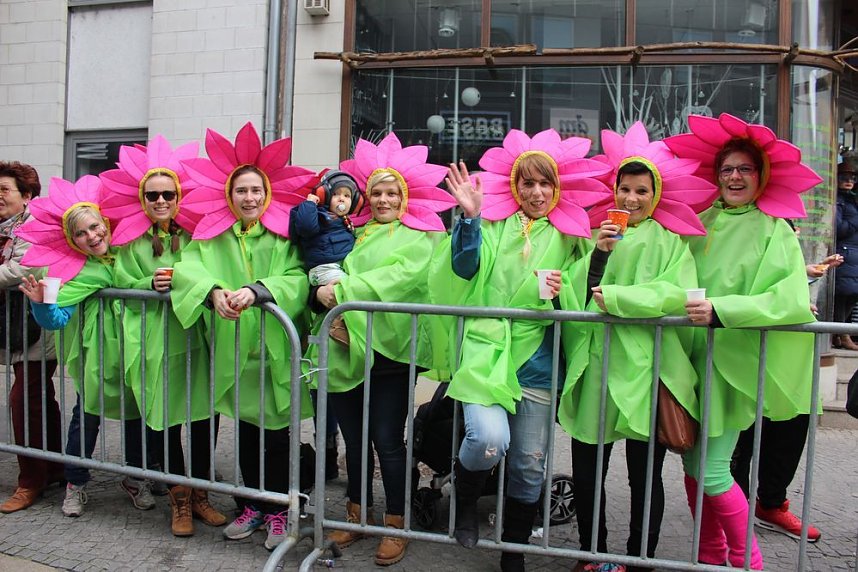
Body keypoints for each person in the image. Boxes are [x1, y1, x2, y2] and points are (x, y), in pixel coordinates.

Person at [430, 129, 610, 572]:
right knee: (488, 440)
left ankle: (514, 550)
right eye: (527, 182)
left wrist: (563, 284)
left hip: (538, 365)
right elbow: (465, 269)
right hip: (486, 353)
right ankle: (466, 502)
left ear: (556, 188)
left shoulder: (571, 235)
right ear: (514, 185)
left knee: (530, 466)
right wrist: (469, 220)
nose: (536, 192)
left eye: (544, 183)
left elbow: (582, 285)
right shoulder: (491, 224)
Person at [665, 112, 822, 569]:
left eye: (745, 169)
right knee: (693, 467)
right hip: (690, 362)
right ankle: (710, 555)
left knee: (713, 470)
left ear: (761, 176)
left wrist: (724, 310)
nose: (734, 176)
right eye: (727, 169)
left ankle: (748, 560)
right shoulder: (698, 221)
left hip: (735, 364)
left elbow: (789, 299)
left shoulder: (777, 230)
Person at [559, 123, 717, 572]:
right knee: (589, 471)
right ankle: (592, 553)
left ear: (656, 193)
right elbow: (575, 294)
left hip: (647, 372)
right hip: (596, 370)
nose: (631, 198)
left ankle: (640, 557)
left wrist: (621, 300)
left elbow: (679, 293)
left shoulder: (671, 242)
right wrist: (598, 257)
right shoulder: (594, 236)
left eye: (641, 190)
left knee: (644, 475)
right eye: (624, 188)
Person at [307, 132, 455, 566]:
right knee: (354, 439)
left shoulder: (421, 235)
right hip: (349, 346)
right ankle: (356, 515)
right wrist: (319, 289)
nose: (385, 199)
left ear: (404, 196)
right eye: (377, 192)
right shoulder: (356, 231)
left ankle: (395, 521)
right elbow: (324, 264)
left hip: (393, 351)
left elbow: (403, 277)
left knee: (388, 440)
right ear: (365, 196)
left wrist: (343, 290)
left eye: (392, 192)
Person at [172, 122, 315, 551]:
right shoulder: (211, 235)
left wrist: (257, 291)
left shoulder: (283, 235)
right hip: (237, 349)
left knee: (277, 435)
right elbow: (188, 269)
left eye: (255, 190)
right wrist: (212, 292)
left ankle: (280, 512)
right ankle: (250, 504)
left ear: (266, 194)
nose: (249, 198)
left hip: (274, 350)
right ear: (229, 196)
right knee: (247, 433)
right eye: (241, 191)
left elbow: (297, 278)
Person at [100, 135, 225, 537]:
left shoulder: (194, 234)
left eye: (168, 194)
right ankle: (180, 498)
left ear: (178, 196)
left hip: (198, 340)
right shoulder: (129, 242)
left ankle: (203, 494)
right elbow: (119, 282)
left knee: (206, 416)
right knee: (166, 421)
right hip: (158, 342)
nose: (160, 201)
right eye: (152, 194)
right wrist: (145, 282)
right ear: (143, 198)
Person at [16, 177, 148, 518]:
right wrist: (41, 303)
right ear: (72, 240)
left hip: (135, 351)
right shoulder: (76, 273)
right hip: (97, 356)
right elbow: (56, 319)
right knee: (87, 417)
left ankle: (135, 478)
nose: (92, 236)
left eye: (94, 227)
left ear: (105, 223)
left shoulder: (129, 256)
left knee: (137, 415)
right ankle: (75, 483)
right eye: (81, 234)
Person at [0, 161, 61, 514]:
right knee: (40, 399)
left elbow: (23, 267)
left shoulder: (34, 227)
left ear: (26, 196)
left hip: (37, 326)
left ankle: (30, 480)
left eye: (4, 190)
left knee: (23, 400)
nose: (0, 197)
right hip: (13, 326)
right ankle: (53, 466)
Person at [289, 169, 364, 346]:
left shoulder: (345, 221)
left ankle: (342, 325)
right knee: (347, 288)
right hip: (323, 268)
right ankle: (338, 328)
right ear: (325, 195)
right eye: (336, 194)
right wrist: (309, 204)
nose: (341, 199)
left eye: (347, 195)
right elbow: (306, 228)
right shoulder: (319, 215)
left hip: (333, 268)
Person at [834, 157, 858, 349]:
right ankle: (842, 335)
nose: (848, 180)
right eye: (844, 177)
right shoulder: (839, 200)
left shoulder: (851, 198)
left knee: (851, 294)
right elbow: (839, 227)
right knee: (844, 294)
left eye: (851, 177)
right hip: (845, 253)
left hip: (853, 253)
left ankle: (841, 333)